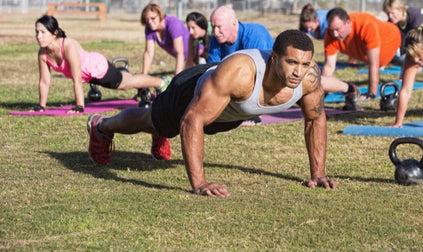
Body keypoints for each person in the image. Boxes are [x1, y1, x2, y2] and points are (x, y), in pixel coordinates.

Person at [86, 29, 338, 197]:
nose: (299, 71)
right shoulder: (240, 73)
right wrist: (200, 184)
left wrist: (318, 174)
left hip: (226, 114)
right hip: (191, 90)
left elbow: (315, 120)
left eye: (304, 64)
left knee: (175, 126)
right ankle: (101, 127)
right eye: (291, 62)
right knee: (152, 120)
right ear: (274, 58)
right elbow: (192, 120)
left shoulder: (310, 78)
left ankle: (162, 132)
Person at [33, 15, 170, 113]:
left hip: (98, 68)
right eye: (37, 32)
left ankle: (161, 82)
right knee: (127, 79)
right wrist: (41, 106)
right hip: (89, 76)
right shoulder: (43, 53)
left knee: (125, 84)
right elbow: (44, 81)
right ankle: (130, 75)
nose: (38, 36)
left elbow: (76, 79)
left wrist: (80, 106)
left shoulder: (68, 45)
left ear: (54, 33)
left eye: (43, 32)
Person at [322, 7, 402, 106]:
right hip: (374, 56)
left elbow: (374, 63)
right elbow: (329, 66)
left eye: (338, 29)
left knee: (417, 62)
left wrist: (371, 93)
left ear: (348, 23)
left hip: (396, 46)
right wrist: (321, 93)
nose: (334, 34)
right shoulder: (330, 34)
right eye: (331, 30)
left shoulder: (366, 25)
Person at [207, 5, 274, 63]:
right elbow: (213, 69)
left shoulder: (253, 34)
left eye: (219, 27)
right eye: (213, 27)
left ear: (233, 23)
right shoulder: (216, 39)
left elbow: (257, 70)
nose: (215, 32)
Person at [140, 3, 190, 76]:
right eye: (146, 19)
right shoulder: (149, 28)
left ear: (160, 15)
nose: (150, 22)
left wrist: (177, 78)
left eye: (153, 18)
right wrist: (144, 75)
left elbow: (179, 53)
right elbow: (148, 53)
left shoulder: (173, 23)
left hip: (199, 54)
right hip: (186, 60)